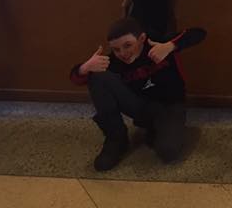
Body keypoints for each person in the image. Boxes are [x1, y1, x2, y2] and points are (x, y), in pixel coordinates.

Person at [70, 17, 205, 170]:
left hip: (170, 107)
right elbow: (76, 77)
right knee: (97, 75)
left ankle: (158, 131)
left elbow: (199, 33)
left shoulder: (157, 43)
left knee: (168, 152)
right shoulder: (115, 61)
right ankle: (116, 139)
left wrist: (170, 46)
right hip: (140, 106)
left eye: (128, 45)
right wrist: (85, 68)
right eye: (116, 49)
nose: (123, 53)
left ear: (141, 38)